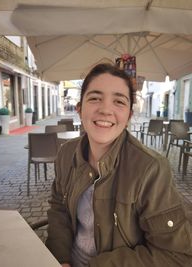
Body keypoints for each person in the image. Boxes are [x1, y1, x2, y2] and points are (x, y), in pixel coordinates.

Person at [46, 63, 192, 267]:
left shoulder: (151, 169)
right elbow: (59, 209)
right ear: (80, 109)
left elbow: (177, 255)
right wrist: (60, 257)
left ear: (129, 116)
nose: (106, 110)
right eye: (95, 98)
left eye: (119, 101)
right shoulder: (66, 154)